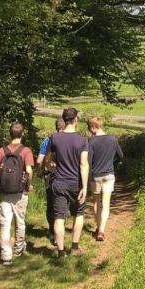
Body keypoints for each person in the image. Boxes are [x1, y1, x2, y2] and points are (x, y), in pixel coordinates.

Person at [0, 121, 34, 265]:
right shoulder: (26, 151)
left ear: (10, 134)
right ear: (22, 134)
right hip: (20, 192)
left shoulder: (2, 151)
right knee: (20, 221)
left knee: (5, 223)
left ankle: (6, 256)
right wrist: (28, 184)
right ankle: (18, 249)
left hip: (5, 192)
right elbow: (29, 171)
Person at [48, 107, 89, 257]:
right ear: (76, 119)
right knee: (78, 214)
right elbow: (83, 164)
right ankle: (74, 248)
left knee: (59, 217)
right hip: (75, 184)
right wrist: (84, 186)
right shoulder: (82, 140)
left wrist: (50, 167)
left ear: (64, 119)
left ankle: (60, 252)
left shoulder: (55, 138)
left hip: (58, 183)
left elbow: (48, 160)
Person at [86, 116, 123, 241]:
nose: (89, 130)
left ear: (93, 127)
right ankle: (102, 230)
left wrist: (88, 177)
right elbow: (120, 155)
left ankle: (98, 227)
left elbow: (88, 161)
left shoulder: (91, 141)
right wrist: (113, 163)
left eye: (89, 127)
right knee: (106, 204)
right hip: (109, 175)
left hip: (95, 176)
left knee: (96, 203)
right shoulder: (112, 139)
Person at [36, 117, 66, 243]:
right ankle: (60, 231)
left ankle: (52, 232)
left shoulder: (47, 140)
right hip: (65, 175)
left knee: (50, 203)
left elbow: (39, 160)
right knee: (61, 204)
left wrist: (42, 170)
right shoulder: (68, 140)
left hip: (49, 175)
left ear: (56, 126)